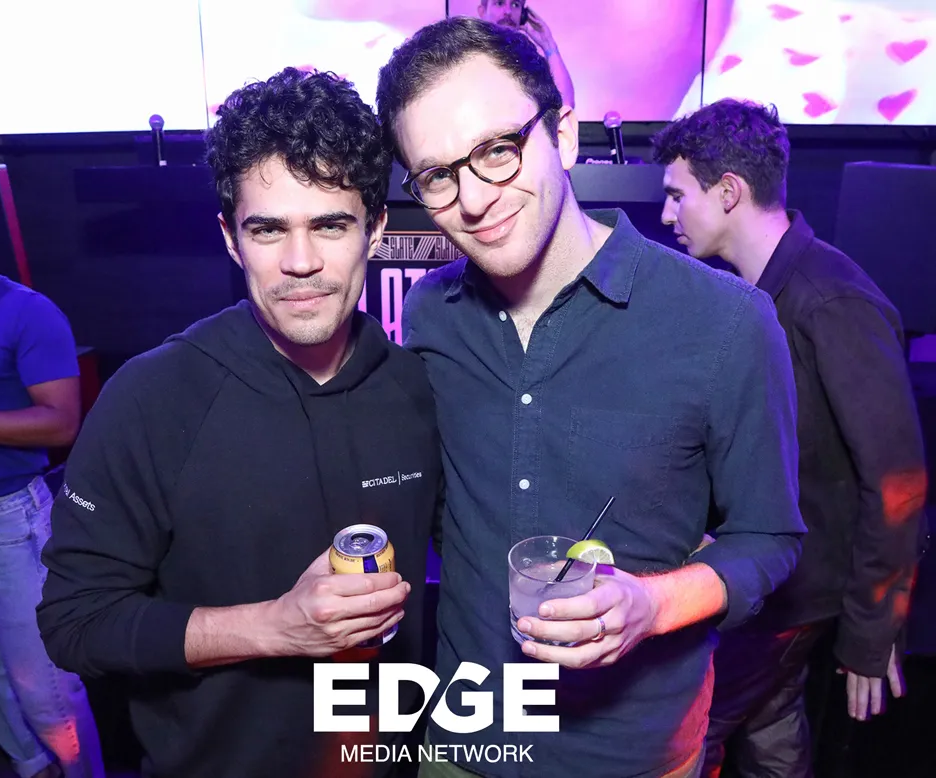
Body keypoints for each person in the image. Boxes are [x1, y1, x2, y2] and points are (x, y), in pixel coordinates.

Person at [376, 17, 806, 778]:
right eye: (438, 175)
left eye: (497, 150)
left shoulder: (726, 322)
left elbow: (769, 538)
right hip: (464, 741)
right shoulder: (431, 314)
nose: (473, 199)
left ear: (564, 136)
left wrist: (652, 604)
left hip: (629, 755)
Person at [37, 68, 443, 778]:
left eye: (330, 224)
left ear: (376, 228)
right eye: (268, 229)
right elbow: (75, 623)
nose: (300, 262)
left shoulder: (417, 386)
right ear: (230, 238)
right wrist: (276, 627)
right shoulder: (153, 398)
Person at [654, 98, 928, 778]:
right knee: (773, 732)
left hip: (792, 597)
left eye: (677, 196)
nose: (665, 215)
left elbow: (898, 483)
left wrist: (871, 631)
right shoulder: (749, 296)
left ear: (728, 192)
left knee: (679, 738)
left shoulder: (830, 300)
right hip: (771, 588)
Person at [0, 167, 105, 778]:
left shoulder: (26, 313)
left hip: (7, 522)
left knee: (47, 688)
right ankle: (33, 769)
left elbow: (61, 424)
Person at [474, 0, 576, 110]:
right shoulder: (468, 54)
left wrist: (548, 43)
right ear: (482, 12)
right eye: (499, 3)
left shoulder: (530, 61)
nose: (508, 11)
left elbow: (565, 106)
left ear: (523, 14)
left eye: (515, 4)